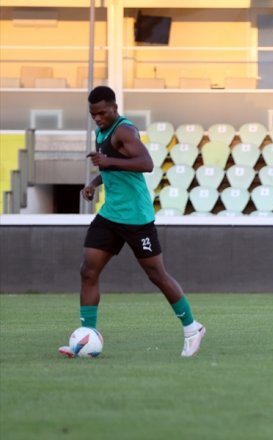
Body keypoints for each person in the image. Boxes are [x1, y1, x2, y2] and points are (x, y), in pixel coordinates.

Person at [59, 86, 205, 358]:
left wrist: (107, 160)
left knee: (156, 275)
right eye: (93, 115)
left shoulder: (125, 131)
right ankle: (85, 337)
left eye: (102, 113)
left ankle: (192, 328)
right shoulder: (100, 132)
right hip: (110, 214)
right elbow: (110, 167)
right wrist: (93, 183)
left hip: (136, 218)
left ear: (114, 107)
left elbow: (146, 163)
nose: (98, 119)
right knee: (88, 271)